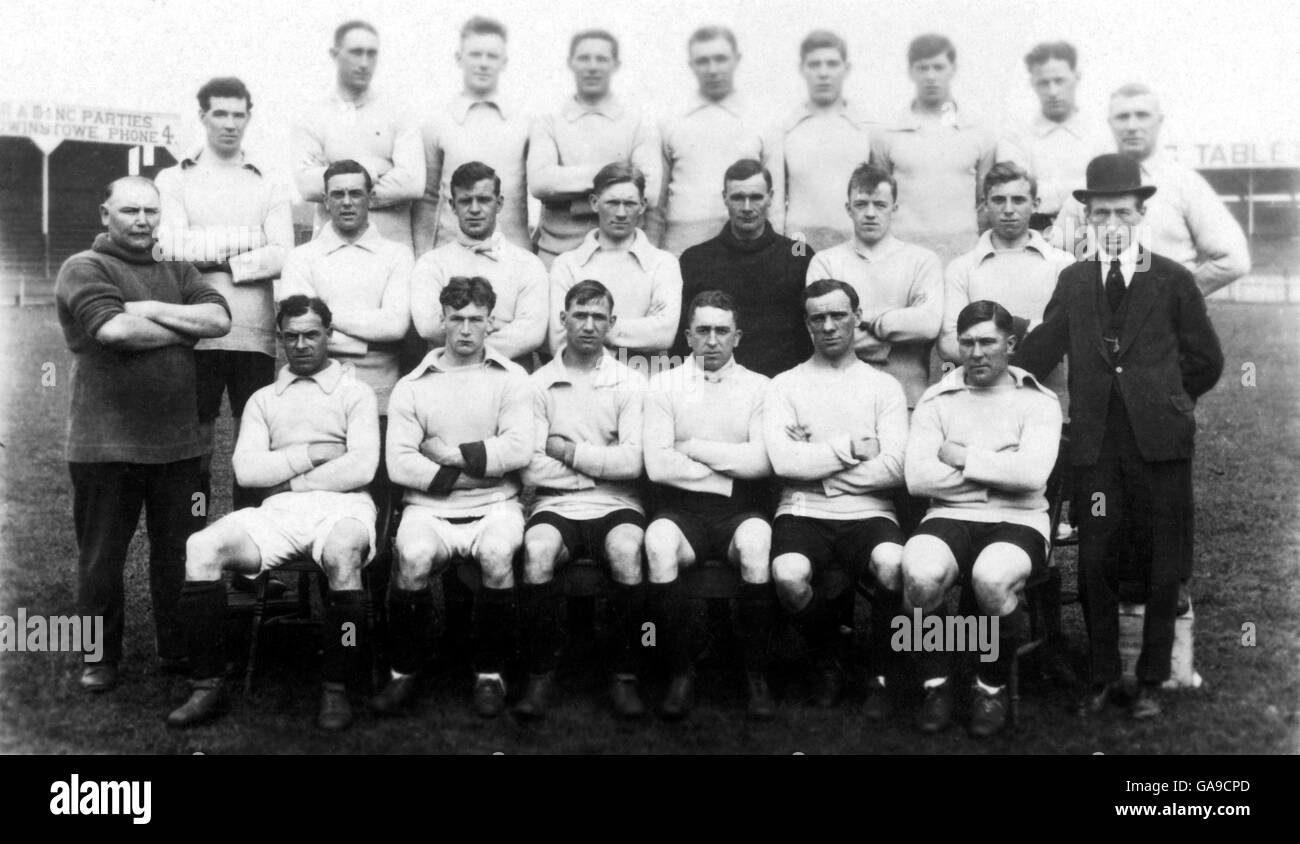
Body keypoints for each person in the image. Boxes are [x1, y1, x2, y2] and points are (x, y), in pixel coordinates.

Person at [1017, 154, 1224, 719]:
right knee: (1097, 560)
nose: (1112, 223)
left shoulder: (1174, 279)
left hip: (1160, 446)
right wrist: (994, 350)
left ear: (1141, 215)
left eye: (1123, 212)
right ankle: (1104, 675)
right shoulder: (1075, 280)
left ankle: (1153, 678)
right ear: (1086, 218)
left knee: (1163, 561)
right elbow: (1044, 348)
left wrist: (1169, 403)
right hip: (1098, 449)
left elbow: (1206, 359)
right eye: (1100, 212)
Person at [166, 296, 378, 731]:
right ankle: (207, 684)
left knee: (342, 555)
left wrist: (288, 476)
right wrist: (314, 452)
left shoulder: (356, 392)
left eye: (312, 334)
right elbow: (247, 470)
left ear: (329, 336)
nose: (301, 345)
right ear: (279, 339)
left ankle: (337, 685)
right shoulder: (263, 399)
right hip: (276, 511)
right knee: (201, 546)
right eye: (292, 336)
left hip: (345, 506)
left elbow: (361, 466)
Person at [56, 176, 231, 693]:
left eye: (151, 212)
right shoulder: (84, 267)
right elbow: (113, 331)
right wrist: (184, 329)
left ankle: (175, 647)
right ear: (104, 213)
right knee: (101, 558)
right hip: (103, 444)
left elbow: (220, 319)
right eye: (130, 210)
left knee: (176, 554)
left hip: (178, 445)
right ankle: (98, 657)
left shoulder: (177, 266)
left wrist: (151, 310)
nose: (142, 220)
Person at [372, 277, 534, 719]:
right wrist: (472, 475)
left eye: (476, 320)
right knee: (413, 556)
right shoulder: (413, 384)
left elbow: (518, 449)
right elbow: (401, 465)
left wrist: (449, 456)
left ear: (491, 323)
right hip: (428, 509)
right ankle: (403, 672)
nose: (465, 329)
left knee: (499, 554)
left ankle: (489, 675)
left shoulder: (512, 378)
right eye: (457, 319)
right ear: (441, 320)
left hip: (496, 505)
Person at [902, 300, 1062, 737]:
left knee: (992, 579)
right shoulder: (938, 399)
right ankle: (936, 683)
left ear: (1010, 344)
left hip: (1020, 520)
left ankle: (988, 685)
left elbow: (1032, 476)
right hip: (949, 515)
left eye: (988, 342)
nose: (976, 353)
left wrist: (961, 457)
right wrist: (997, 471)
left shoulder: (1038, 401)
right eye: (967, 342)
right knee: (918, 573)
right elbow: (918, 478)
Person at [763, 279, 908, 712]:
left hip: (870, 510)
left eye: (838, 315)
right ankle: (830, 653)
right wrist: (847, 451)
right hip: (801, 508)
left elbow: (896, 468)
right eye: (817, 318)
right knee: (789, 576)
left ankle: (882, 674)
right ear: (807, 324)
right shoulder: (784, 385)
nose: (828, 326)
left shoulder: (885, 387)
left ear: (856, 317)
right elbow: (784, 464)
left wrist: (818, 464)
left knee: (893, 565)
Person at [155, 76, 293, 519]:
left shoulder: (268, 181)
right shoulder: (173, 178)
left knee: (251, 445)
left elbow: (282, 253)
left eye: (239, 114)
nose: (230, 124)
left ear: (249, 116)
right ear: (203, 116)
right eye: (220, 113)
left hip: (253, 335)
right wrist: (247, 243)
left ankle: (246, 555)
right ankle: (197, 539)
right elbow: (171, 247)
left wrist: (218, 259)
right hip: (195, 332)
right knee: (195, 447)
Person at [517, 281, 648, 720]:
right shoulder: (537, 385)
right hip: (555, 505)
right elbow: (533, 469)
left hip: (619, 502)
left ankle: (625, 675)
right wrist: (596, 467)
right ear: (563, 320)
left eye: (598, 317)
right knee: (536, 553)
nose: (589, 325)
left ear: (611, 324)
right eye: (580, 315)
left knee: (627, 551)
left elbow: (632, 463)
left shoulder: (630, 381)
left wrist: (571, 453)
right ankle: (539, 675)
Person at [643, 291, 776, 720]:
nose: (712, 340)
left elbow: (760, 462)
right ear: (687, 336)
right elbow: (659, 466)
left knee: (757, 544)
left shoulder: (761, 387)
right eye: (703, 330)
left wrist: (694, 448)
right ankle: (681, 672)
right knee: (660, 544)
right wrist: (727, 468)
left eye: (722, 330)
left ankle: (756, 675)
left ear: (737, 336)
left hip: (741, 513)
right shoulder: (663, 385)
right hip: (681, 513)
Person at [1051, 84, 1250, 296]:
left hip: (1167, 325)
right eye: (1122, 117)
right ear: (1110, 123)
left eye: (1142, 115)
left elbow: (1234, 260)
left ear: (1159, 121)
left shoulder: (1186, 183)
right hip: (1101, 320)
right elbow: (1056, 256)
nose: (1132, 126)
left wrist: (1176, 299)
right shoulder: (1087, 188)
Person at [279, 160, 412, 417]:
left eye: (356, 193)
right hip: (316, 393)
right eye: (338, 194)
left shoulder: (397, 255)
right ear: (326, 201)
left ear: (370, 198)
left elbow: (395, 325)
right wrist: (368, 334)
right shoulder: (301, 257)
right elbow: (298, 329)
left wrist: (324, 317)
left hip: (382, 396)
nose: (347, 202)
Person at [806, 163, 943, 410]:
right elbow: (824, 335)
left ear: (895, 208)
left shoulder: (923, 261)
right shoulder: (825, 262)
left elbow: (929, 326)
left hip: (907, 397)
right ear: (848, 209)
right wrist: (898, 335)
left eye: (879, 204)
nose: (870, 213)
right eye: (861, 204)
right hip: (840, 398)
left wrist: (861, 319)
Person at [940, 162, 1074, 400]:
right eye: (999, 200)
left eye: (1019, 200)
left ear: (1035, 204)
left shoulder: (1062, 264)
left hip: (1047, 396)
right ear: (984, 204)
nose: (1009, 209)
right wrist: (1027, 331)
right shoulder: (962, 268)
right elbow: (949, 342)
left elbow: (1068, 335)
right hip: (977, 399)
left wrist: (988, 345)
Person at [528, 29, 660, 267]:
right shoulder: (549, 120)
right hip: (556, 253)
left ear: (615, 65)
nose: (592, 66)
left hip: (621, 254)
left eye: (601, 59)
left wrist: (573, 200)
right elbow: (539, 182)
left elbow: (649, 191)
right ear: (571, 63)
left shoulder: (638, 122)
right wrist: (618, 176)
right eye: (584, 58)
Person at [674, 158, 813, 378]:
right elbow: (682, 340)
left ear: (771, 198)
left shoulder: (798, 255)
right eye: (738, 197)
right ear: (725, 198)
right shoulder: (695, 260)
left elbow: (809, 336)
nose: (747, 207)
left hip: (782, 385)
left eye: (756, 197)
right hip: (714, 384)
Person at [293, 19, 424, 251]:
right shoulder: (314, 116)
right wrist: (376, 169)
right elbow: (307, 185)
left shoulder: (399, 112)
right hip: (331, 254)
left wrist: (339, 183)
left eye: (371, 54)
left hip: (390, 250)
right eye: (356, 53)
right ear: (335, 54)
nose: (364, 63)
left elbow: (413, 182)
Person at [873, 33, 997, 266]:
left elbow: (984, 201)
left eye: (938, 67)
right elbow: (879, 198)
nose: (931, 76)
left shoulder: (979, 133)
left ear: (953, 69)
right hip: (902, 252)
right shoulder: (886, 133)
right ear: (910, 71)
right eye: (923, 68)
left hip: (961, 252)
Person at [410, 161, 548, 368]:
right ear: (452, 206)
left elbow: (531, 333)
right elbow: (428, 327)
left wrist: (467, 346)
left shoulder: (528, 264)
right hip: (449, 376)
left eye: (483, 200)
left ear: (499, 203)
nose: (474, 209)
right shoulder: (431, 263)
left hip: (508, 373)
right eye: (466, 201)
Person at [414, 16, 531, 255]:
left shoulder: (524, 122)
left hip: (512, 256)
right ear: (460, 58)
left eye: (492, 56)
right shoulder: (438, 123)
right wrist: (422, 256)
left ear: (504, 62)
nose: (483, 63)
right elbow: (427, 199)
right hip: (452, 254)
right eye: (476, 55)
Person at [646, 26, 766, 256]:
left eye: (721, 59)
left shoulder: (761, 120)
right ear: (691, 65)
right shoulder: (670, 121)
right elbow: (656, 203)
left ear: (736, 60)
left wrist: (788, 255)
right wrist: (651, 256)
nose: (712, 69)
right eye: (703, 61)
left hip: (747, 243)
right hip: (682, 243)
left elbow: (777, 202)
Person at [548, 163, 682, 367]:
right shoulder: (567, 265)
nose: (621, 213)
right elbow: (559, 339)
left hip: (644, 381)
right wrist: (637, 331)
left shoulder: (663, 264)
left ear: (643, 205)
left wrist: (588, 328)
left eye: (629, 204)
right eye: (612, 203)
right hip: (585, 381)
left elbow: (663, 334)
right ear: (594, 203)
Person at [769, 30, 877, 252]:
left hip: (854, 240)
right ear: (802, 69)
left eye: (832, 64)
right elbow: (776, 203)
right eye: (815, 64)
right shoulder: (786, 129)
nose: (823, 73)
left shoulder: (865, 128)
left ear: (846, 69)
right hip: (798, 241)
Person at [996, 42, 1111, 231]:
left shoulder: (1101, 133)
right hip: (1034, 237)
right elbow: (1016, 193)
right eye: (1044, 83)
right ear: (1032, 83)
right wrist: (1081, 191)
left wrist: (1043, 194)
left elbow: (1108, 192)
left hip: (1091, 236)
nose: (1053, 92)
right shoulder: (1015, 135)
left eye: (1059, 81)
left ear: (1077, 78)